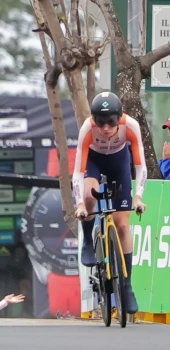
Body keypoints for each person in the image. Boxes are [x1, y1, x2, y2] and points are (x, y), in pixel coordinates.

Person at [72, 91, 147, 314]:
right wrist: (80, 205)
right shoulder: (87, 129)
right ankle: (88, 238)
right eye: (100, 122)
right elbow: (77, 172)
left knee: (122, 225)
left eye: (111, 122)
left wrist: (138, 197)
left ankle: (126, 285)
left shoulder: (131, 125)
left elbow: (140, 166)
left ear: (120, 118)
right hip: (94, 161)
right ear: (94, 120)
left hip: (118, 162)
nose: (105, 128)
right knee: (89, 195)